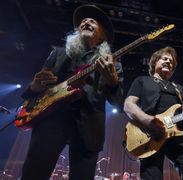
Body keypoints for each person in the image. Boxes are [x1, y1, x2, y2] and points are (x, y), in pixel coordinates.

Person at [20, 5, 123, 180]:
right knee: (33, 174)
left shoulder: (112, 63)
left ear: (102, 35)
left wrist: (113, 82)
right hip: (51, 120)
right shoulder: (58, 53)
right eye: (83, 21)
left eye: (93, 21)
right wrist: (34, 86)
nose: (86, 22)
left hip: (89, 125)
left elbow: (117, 102)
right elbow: (36, 87)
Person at [123, 46, 183, 180]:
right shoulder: (142, 81)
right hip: (149, 134)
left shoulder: (179, 89)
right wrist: (148, 121)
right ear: (154, 62)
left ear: (173, 68)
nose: (168, 61)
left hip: (177, 135)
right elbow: (128, 105)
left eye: (171, 61)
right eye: (164, 58)